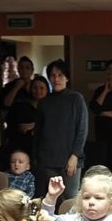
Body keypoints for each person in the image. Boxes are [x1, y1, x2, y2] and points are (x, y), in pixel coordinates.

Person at [34, 60, 88, 201]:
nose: (56, 79)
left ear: (67, 77)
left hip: (70, 158)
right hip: (47, 159)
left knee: (70, 199)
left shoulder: (76, 98)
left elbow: (82, 129)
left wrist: (75, 156)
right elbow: (38, 132)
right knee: (51, 198)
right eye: (53, 75)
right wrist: (37, 159)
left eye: (60, 75)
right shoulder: (44, 102)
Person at [5, 75, 47, 159]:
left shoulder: (51, 107)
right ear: (30, 89)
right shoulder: (22, 106)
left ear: (47, 90)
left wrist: (34, 125)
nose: (38, 91)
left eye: (42, 88)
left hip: (45, 149)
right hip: (22, 148)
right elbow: (16, 126)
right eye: (35, 88)